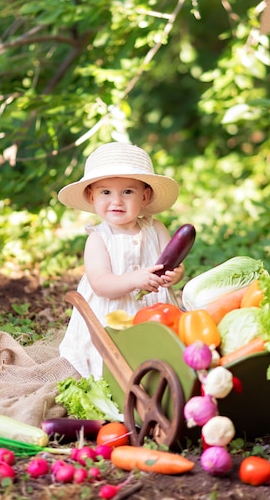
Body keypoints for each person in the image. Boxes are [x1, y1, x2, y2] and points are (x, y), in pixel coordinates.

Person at [57, 141, 185, 378]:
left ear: (145, 197)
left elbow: (174, 265)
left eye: (128, 191)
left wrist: (174, 274)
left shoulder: (155, 228)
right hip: (112, 319)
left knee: (166, 353)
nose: (117, 201)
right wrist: (136, 279)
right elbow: (101, 284)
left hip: (155, 312)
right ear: (91, 196)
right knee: (112, 364)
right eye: (106, 192)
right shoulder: (98, 239)